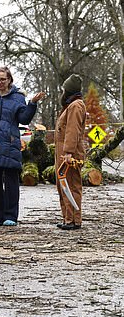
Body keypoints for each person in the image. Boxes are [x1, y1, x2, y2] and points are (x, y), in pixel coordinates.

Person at [0, 67, 45, 227]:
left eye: (2, 79)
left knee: (11, 182)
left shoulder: (18, 97)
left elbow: (24, 119)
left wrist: (32, 104)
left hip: (10, 144)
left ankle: (11, 215)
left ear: (9, 80)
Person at [54, 74, 86, 230]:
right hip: (63, 151)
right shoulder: (70, 105)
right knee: (63, 184)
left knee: (71, 184)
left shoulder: (76, 106)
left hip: (70, 153)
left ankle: (74, 219)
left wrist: (68, 152)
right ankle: (67, 218)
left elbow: (72, 131)